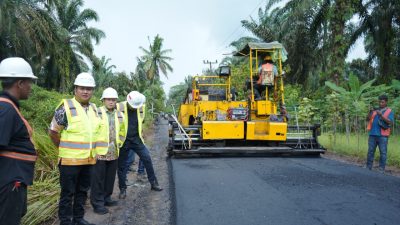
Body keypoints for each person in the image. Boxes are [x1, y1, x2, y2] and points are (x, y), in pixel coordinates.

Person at [49, 72, 107, 225]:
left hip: (89, 160)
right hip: (69, 161)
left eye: (89, 88)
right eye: (82, 88)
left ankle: (78, 219)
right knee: (68, 193)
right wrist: (62, 148)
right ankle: (66, 221)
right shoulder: (66, 107)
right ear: (75, 89)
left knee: (82, 191)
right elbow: (53, 131)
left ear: (93, 91)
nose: (85, 91)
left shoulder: (95, 109)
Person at [0, 57, 38, 225]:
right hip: (9, 183)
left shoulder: (9, 106)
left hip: (14, 179)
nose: (31, 87)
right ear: (20, 83)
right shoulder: (6, 109)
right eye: (29, 82)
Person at [117, 91, 162, 200]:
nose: (135, 108)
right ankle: (122, 189)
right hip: (123, 140)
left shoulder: (141, 107)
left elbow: (141, 122)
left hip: (137, 140)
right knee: (122, 166)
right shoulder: (119, 107)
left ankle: (153, 183)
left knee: (147, 158)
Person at [90, 87, 125, 215]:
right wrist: (93, 149)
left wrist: (119, 143)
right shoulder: (97, 112)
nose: (111, 101)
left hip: (114, 152)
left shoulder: (120, 115)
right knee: (98, 179)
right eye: (109, 99)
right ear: (103, 100)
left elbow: (122, 131)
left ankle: (107, 198)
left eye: (113, 99)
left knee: (110, 178)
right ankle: (97, 203)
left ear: (116, 101)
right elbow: (92, 131)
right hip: (100, 152)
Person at [366, 95, 394, 172]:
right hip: (372, 134)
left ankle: (381, 169)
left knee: (383, 152)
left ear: (386, 102)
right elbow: (367, 119)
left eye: (382, 102)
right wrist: (370, 111)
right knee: (370, 151)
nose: (380, 103)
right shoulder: (375, 110)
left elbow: (390, 122)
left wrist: (381, 115)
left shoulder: (389, 111)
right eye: (379, 102)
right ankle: (368, 167)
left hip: (383, 135)